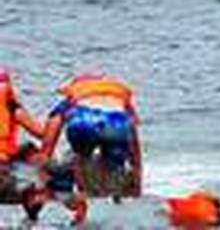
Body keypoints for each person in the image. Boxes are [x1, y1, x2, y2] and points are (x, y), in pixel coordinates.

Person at [38, 73, 143, 204]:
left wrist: (43, 166)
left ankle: (85, 201)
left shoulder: (73, 97)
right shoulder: (118, 96)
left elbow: (52, 130)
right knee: (115, 166)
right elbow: (134, 140)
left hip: (84, 119)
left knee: (79, 157)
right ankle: (118, 200)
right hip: (116, 122)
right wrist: (137, 179)